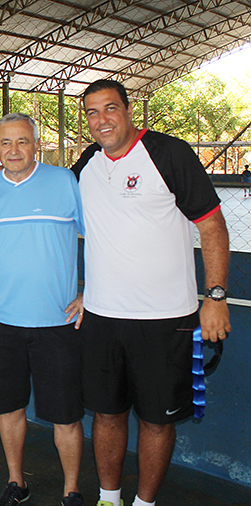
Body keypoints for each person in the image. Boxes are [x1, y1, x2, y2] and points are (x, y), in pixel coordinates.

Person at [72, 79, 231, 506]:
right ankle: (109, 497)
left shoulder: (168, 153)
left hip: (165, 320)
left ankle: (144, 503)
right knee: (106, 414)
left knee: (157, 422)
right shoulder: (87, 161)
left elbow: (212, 226)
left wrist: (215, 296)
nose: (101, 119)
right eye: (92, 112)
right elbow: (54, 209)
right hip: (103, 318)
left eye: (110, 108)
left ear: (127, 110)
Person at [0, 113, 86, 506]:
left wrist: (93, 292)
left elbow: (100, 237)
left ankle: (72, 490)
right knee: (9, 408)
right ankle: (17, 482)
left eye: (22, 141)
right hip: (1, 321)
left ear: (36, 145)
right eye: (5, 142)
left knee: (66, 416)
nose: (13, 150)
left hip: (59, 321)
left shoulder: (65, 182)